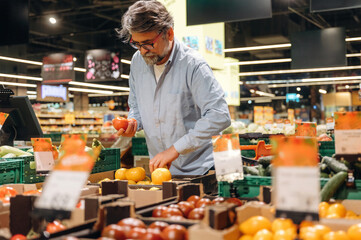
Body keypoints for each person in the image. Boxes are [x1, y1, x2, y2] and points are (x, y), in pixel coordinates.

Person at [116, 0, 231, 175]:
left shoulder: (193, 65)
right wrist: (134, 122)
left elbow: (219, 115)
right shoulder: (137, 63)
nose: (143, 51)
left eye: (148, 43)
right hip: (161, 172)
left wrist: (175, 149)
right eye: (137, 44)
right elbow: (136, 106)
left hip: (199, 170)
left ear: (168, 34)